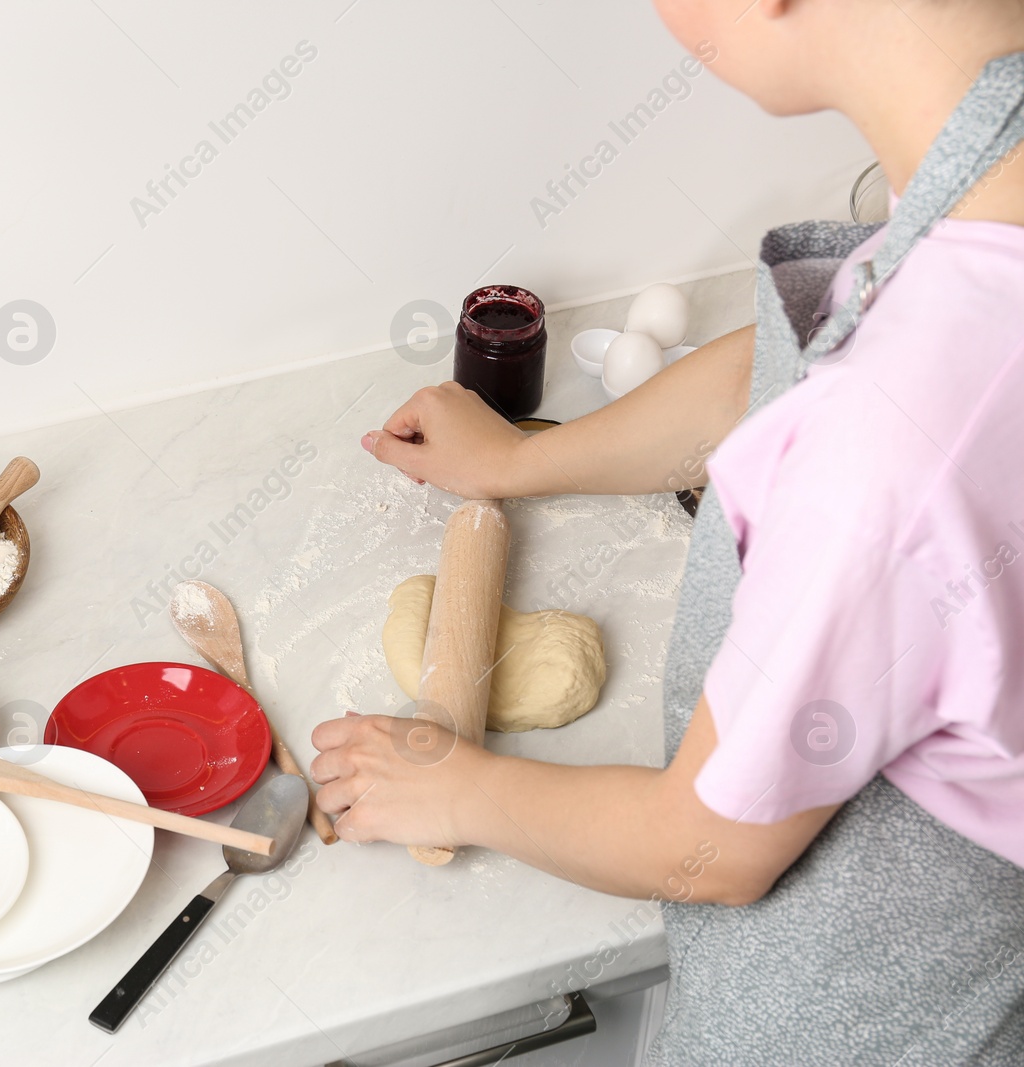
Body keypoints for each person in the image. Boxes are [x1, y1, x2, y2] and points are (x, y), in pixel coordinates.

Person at [309, 1, 1024, 1061]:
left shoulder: (891, 441)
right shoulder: (987, 181)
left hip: (850, 1016)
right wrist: (520, 462)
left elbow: (708, 844)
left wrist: (457, 785)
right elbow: (773, 365)